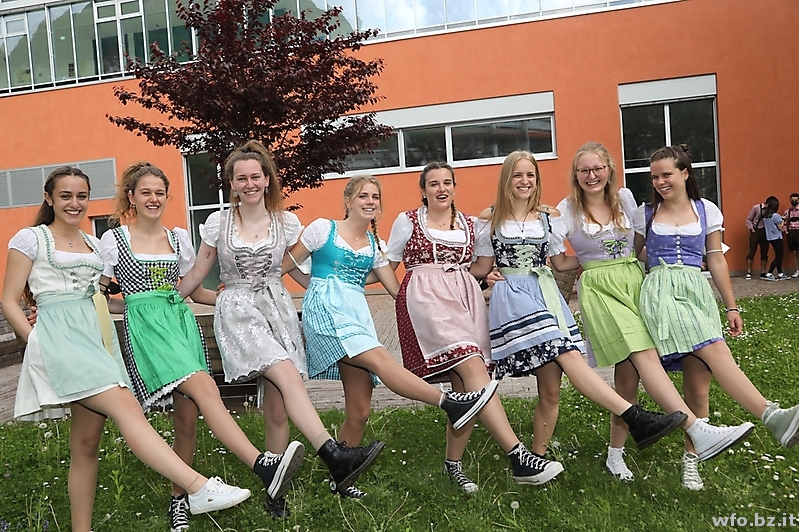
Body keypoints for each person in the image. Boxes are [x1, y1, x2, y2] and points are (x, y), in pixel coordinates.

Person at [1, 166, 250, 532]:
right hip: (59, 343)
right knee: (126, 405)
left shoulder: (92, 243)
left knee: (86, 445)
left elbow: (99, 297)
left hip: (96, 337)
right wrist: (35, 338)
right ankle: (196, 487)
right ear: (48, 198)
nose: (74, 203)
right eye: (65, 196)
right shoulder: (31, 238)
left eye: (81, 196)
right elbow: (9, 300)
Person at [99, 161, 311, 529]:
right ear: (131, 197)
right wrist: (131, 306)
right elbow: (100, 296)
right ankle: (262, 465)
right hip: (149, 331)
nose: (153, 199)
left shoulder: (177, 237)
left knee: (186, 420)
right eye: (145, 192)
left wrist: (234, 300)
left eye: (160, 192)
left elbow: (195, 291)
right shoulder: (114, 240)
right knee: (205, 388)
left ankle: (179, 500)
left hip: (181, 323)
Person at [177, 141, 385, 511]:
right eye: (242, 178)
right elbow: (196, 274)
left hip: (278, 310)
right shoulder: (218, 224)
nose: (250, 184)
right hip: (240, 312)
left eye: (256, 176)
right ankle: (332, 453)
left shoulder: (286, 222)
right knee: (287, 373)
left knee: (277, 407)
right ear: (231, 183)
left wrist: (337, 292)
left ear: (267, 179)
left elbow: (305, 274)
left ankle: (275, 492)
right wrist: (166, 300)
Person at [549, 143, 753, 487]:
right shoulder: (566, 210)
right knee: (643, 355)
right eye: (584, 170)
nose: (591, 175)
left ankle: (615, 453)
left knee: (629, 375)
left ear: (609, 170)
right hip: (601, 290)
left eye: (597, 168)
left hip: (635, 283)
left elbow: (641, 247)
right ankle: (696, 428)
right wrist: (589, 263)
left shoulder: (625, 200)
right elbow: (559, 261)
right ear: (575, 175)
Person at [282, 175, 500, 494]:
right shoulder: (323, 229)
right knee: (383, 360)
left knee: (360, 409)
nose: (370, 201)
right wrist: (256, 283)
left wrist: (436, 309)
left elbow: (400, 291)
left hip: (357, 314)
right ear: (348, 201)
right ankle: (450, 402)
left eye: (375, 197)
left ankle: (340, 478)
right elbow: (287, 264)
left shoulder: (376, 246)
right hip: (327, 311)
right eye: (363, 196)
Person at [480, 151, 687, 470]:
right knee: (569, 355)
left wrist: (600, 257)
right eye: (517, 175)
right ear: (506, 179)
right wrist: (482, 278)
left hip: (546, 296)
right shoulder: (489, 219)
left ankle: (536, 462)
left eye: (530, 175)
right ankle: (634, 416)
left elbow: (561, 261)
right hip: (515, 300)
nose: (524, 181)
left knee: (551, 389)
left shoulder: (548, 217)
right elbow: (479, 266)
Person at [386, 162, 564, 493]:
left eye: (447, 182)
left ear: (455, 187)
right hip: (427, 302)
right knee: (472, 366)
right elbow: (386, 261)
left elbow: (479, 267)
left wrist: (489, 279)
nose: (441, 189)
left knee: (467, 388)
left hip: (465, 303)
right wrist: (401, 295)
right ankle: (518, 456)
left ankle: (453, 466)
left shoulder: (472, 224)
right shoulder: (408, 221)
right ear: (423, 190)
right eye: (433, 183)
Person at [635, 145, 799, 489]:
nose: (660, 182)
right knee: (716, 349)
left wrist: (731, 306)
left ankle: (692, 461)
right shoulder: (645, 213)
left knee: (698, 388)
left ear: (685, 173)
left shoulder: (706, 210)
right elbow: (631, 255)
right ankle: (772, 416)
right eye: (655, 177)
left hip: (697, 292)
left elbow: (717, 259)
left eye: (667, 174)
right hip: (662, 292)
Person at [762, 196, 786, 280]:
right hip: (777, 237)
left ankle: (780, 273)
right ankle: (769, 272)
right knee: (780, 256)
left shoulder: (765, 216)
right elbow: (780, 227)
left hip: (770, 237)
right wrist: (783, 220)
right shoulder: (776, 216)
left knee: (778, 255)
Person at [745, 197, 770, 279]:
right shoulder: (756, 208)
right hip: (755, 230)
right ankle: (749, 272)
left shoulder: (770, 210)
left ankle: (763, 272)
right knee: (752, 251)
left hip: (765, 232)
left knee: (764, 252)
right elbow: (749, 219)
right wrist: (752, 229)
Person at [783, 193, 799, 277]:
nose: (794, 202)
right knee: (794, 252)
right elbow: (785, 223)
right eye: (792, 200)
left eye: (796, 200)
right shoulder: (787, 212)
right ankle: (797, 270)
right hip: (791, 233)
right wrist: (786, 231)